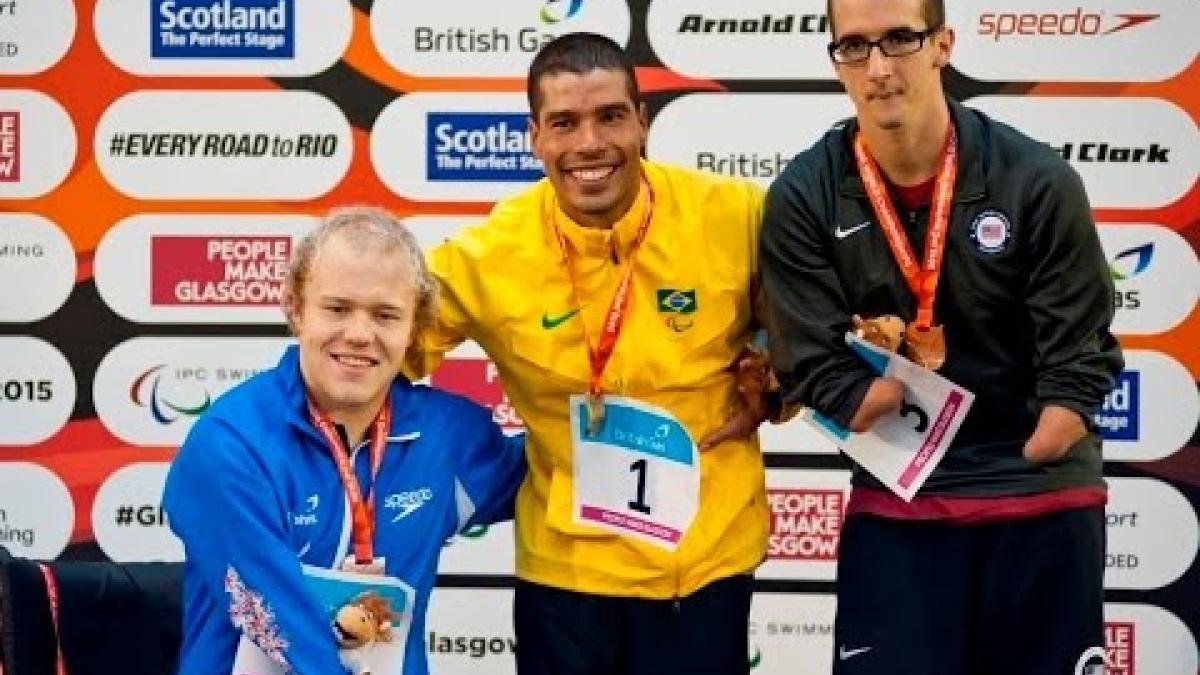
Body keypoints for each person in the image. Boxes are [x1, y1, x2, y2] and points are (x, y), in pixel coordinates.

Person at [758, 1, 1123, 673]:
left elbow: (1079, 363)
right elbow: (818, 374)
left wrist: (1038, 446)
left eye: (900, 39)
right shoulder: (804, 195)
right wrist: (874, 393)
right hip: (899, 504)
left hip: (1037, 492)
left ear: (942, 44)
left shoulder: (1036, 179)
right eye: (855, 46)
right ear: (835, 61)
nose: (878, 66)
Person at [407, 32, 769, 675]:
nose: (589, 145)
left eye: (610, 117)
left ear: (642, 122)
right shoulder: (487, 255)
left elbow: (813, 325)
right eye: (564, 123)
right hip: (566, 577)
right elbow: (378, 353)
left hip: (708, 561)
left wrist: (773, 378)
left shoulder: (736, 214)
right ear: (535, 137)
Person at [163, 207, 526, 675]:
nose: (359, 335)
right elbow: (287, 626)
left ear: (415, 328)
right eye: (336, 309)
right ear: (295, 307)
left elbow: (558, 469)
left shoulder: (448, 437)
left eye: (385, 315)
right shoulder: (230, 446)